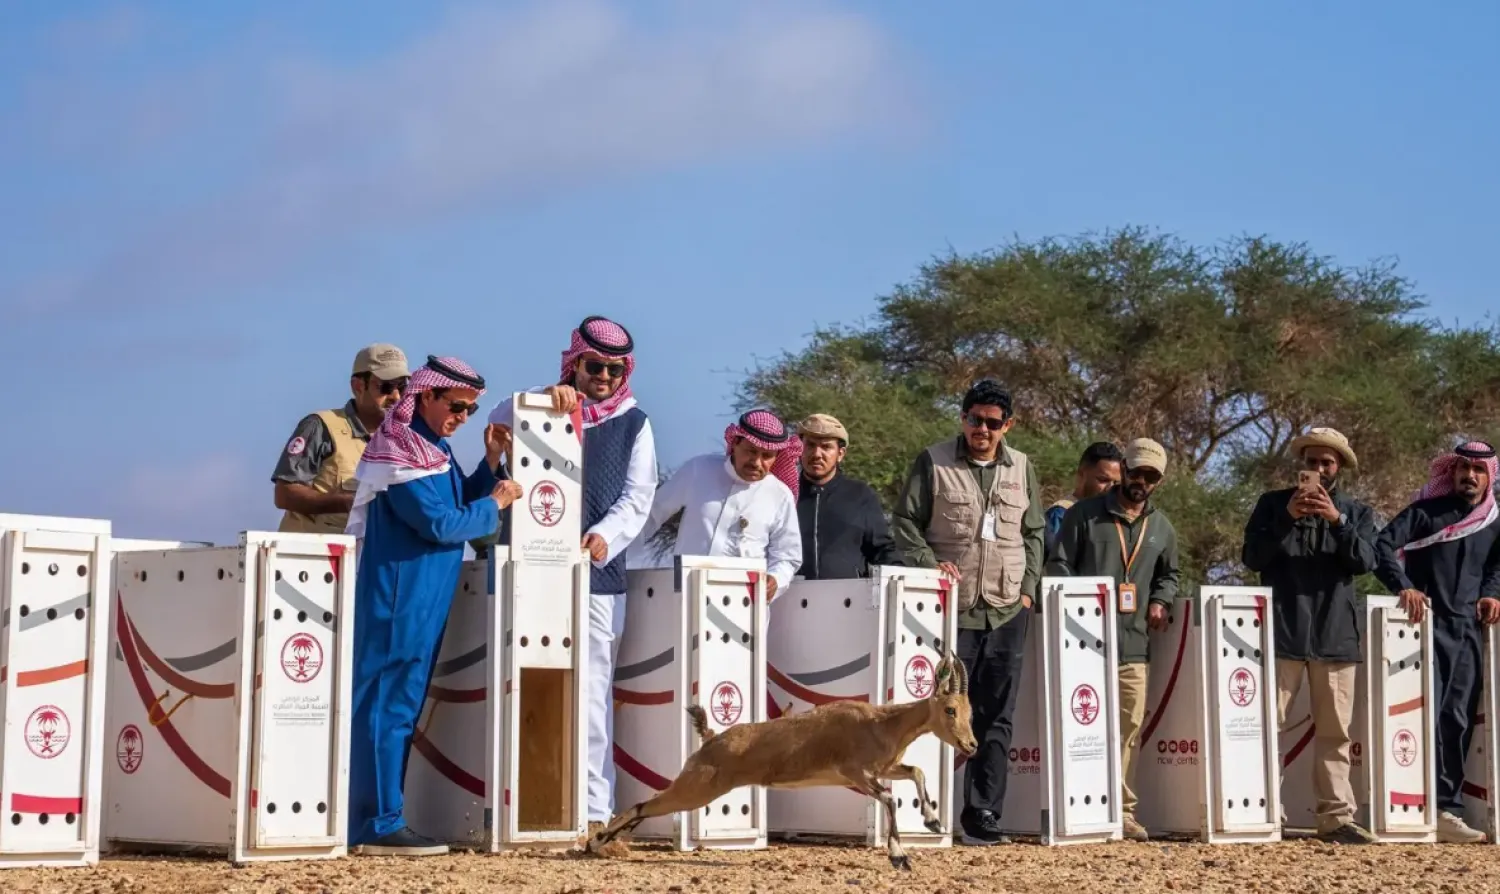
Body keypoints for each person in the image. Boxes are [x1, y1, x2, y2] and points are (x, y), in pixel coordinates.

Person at [483, 315, 657, 835]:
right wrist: (547, 398)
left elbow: (638, 495)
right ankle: (526, 810)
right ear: (574, 362)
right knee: (524, 680)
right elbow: (493, 426)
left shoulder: (634, 421)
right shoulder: (537, 403)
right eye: (593, 366)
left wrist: (606, 536)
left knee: (593, 692)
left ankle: (594, 812)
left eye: (613, 368)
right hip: (531, 570)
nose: (602, 376)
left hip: (597, 577)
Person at [344, 355, 523, 856]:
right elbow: (442, 524)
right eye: (457, 406)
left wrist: (489, 466)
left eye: (471, 410)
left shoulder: (431, 449)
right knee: (385, 708)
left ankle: (384, 818)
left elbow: (455, 504)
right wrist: (497, 504)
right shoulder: (401, 453)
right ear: (426, 396)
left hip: (421, 601)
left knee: (400, 708)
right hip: (398, 599)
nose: (463, 417)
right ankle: (375, 823)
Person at [890, 379, 1044, 846]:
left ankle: (983, 816)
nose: (983, 429)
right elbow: (903, 522)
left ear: (1007, 426)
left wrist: (1027, 592)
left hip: (1005, 611)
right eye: (975, 419)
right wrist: (928, 565)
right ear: (963, 418)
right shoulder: (933, 461)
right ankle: (924, 813)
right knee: (939, 712)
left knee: (997, 715)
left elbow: (1034, 532)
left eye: (993, 423)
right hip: (948, 612)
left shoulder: (1022, 467)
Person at [1240, 427, 1378, 844]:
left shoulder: (1357, 512)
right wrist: (1288, 518)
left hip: (1334, 636)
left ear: (1338, 469)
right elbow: (1252, 558)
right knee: (1266, 725)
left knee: (1336, 732)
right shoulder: (1271, 505)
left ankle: (1335, 818)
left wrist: (1336, 521)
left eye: (1326, 463)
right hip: (1281, 632)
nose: (1317, 469)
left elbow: (1365, 561)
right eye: (1312, 461)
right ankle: (1261, 810)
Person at [1047, 437, 1180, 843]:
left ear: (1159, 481)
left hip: (1134, 645)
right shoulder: (1084, 516)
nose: (1141, 480)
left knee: (1127, 728)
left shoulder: (1162, 527)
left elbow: (1170, 575)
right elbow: (1058, 566)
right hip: (1083, 645)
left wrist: (1160, 600)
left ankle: (1122, 812)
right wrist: (1079, 608)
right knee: (1081, 724)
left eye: (1151, 476)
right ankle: (1078, 806)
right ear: (1123, 467)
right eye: (1136, 471)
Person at [1374, 440, 1500, 844]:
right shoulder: (1426, 512)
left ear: (1489, 475)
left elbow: (1497, 564)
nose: (1470, 476)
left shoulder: (1494, 521)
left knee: (1457, 719)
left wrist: (1491, 592)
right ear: (1452, 472)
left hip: (1467, 632)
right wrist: (1405, 586)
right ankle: (1407, 805)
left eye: (1479, 470)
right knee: (1412, 717)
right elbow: (1381, 546)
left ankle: (1447, 808)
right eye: (1463, 468)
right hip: (1421, 628)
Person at [640, 409, 802, 599]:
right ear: (735, 444)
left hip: (743, 604)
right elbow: (652, 515)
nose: (757, 462)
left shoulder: (780, 495)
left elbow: (788, 555)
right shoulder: (699, 470)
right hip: (687, 597)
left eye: (767, 456)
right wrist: (617, 560)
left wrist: (775, 579)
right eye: (751, 451)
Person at [272, 343, 410, 534]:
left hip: (365, 557)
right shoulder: (320, 426)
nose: (396, 396)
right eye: (386, 387)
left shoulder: (406, 440)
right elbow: (285, 495)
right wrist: (350, 502)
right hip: (310, 556)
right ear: (358, 386)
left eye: (402, 388)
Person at [795, 413, 903, 580]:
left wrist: (901, 579)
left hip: (849, 600)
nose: (817, 454)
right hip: (790, 600)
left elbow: (882, 549)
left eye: (826, 447)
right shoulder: (785, 494)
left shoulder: (860, 495)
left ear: (840, 453)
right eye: (810, 445)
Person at [1045, 441, 1123, 555]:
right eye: (1103, 480)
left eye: (1116, 482)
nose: (1110, 488)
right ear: (1082, 474)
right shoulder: (1061, 514)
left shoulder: (1113, 518)